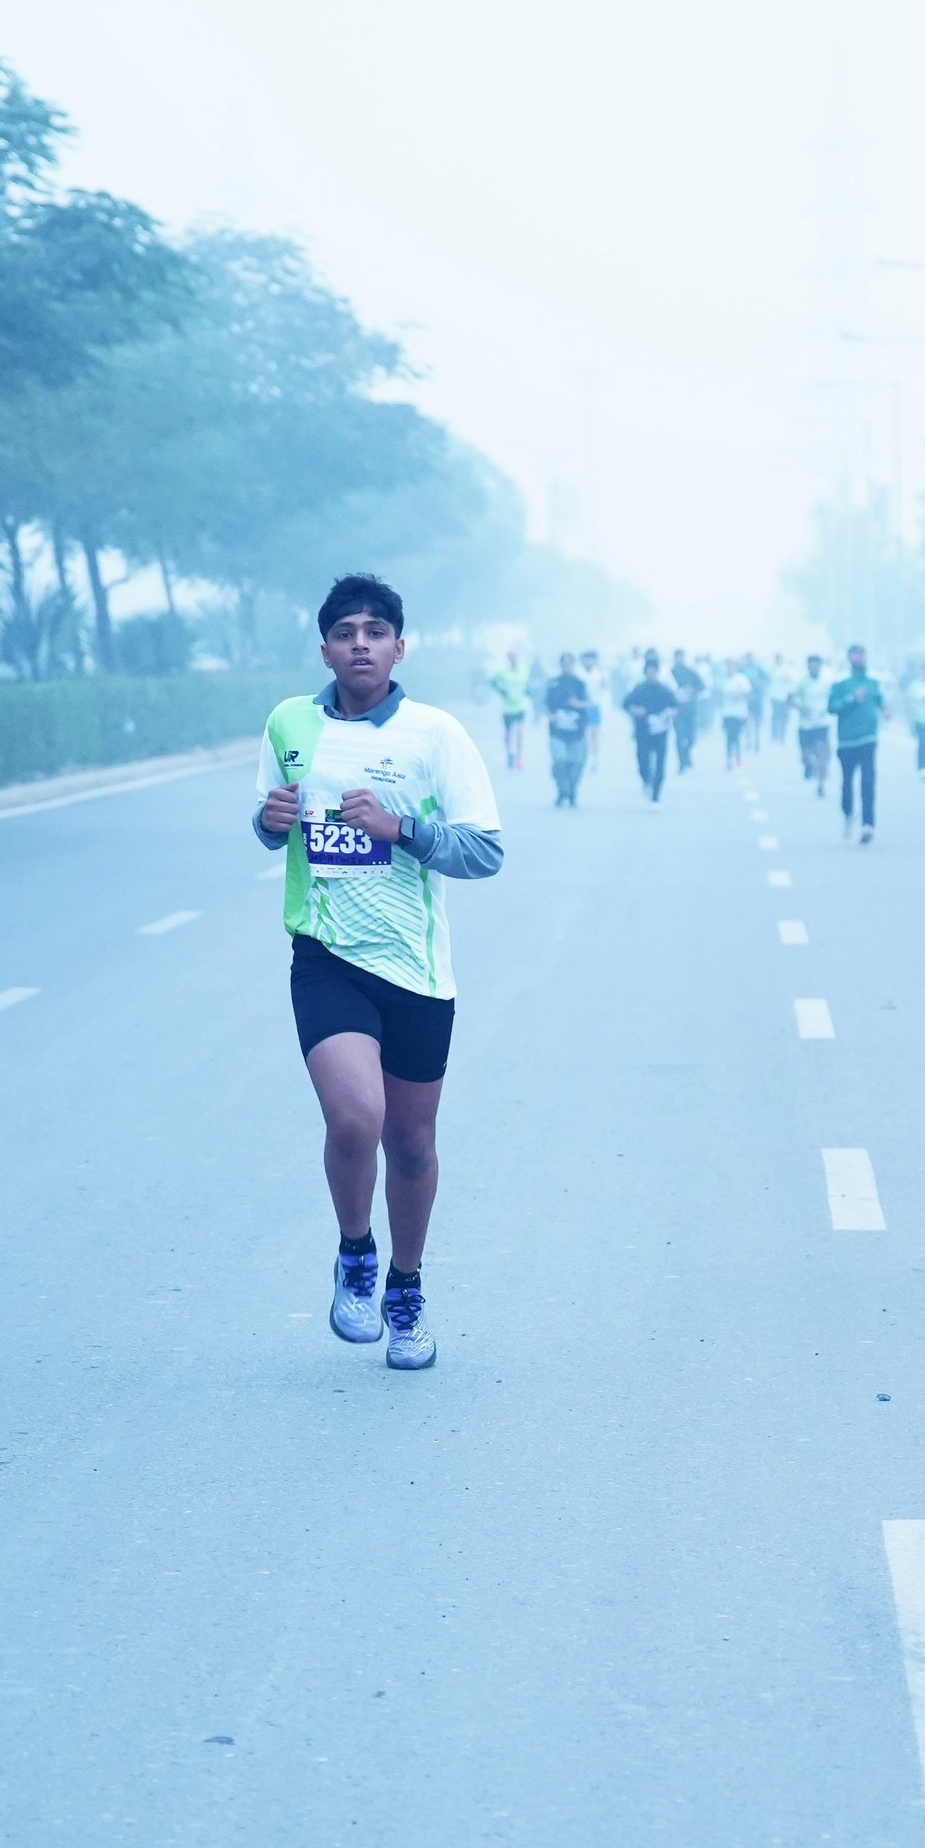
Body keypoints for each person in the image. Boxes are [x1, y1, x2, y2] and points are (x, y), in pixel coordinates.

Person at [253, 574, 505, 1370]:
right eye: (344, 632)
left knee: (412, 1143)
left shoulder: (436, 735)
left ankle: (406, 1288)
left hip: (416, 971)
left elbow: (485, 852)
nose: (359, 644)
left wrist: (401, 829)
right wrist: (269, 821)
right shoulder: (290, 724)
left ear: (400, 647)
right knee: (356, 1117)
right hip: (326, 956)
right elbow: (270, 821)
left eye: (374, 631)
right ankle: (356, 1254)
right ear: (324, 649)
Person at [828, 645, 886, 843]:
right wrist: (851, 699)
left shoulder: (873, 681)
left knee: (868, 782)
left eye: (862, 655)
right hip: (847, 741)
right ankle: (848, 814)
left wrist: (885, 709)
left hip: (868, 738)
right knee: (847, 783)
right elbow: (831, 707)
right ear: (849, 658)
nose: (859, 658)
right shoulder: (840, 682)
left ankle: (868, 824)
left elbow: (879, 700)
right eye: (855, 655)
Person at [541, 651, 596, 808]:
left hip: (576, 732)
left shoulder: (580, 684)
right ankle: (562, 791)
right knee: (560, 761)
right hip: (557, 731)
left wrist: (579, 704)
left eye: (570, 664)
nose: (567, 667)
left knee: (576, 764)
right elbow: (545, 704)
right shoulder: (553, 683)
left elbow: (589, 703)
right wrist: (550, 715)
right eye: (564, 664)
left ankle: (572, 791)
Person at [624, 654, 677, 801]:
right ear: (645, 673)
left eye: (654, 671)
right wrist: (635, 710)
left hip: (661, 732)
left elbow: (675, 706)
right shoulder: (639, 690)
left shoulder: (664, 691)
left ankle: (656, 795)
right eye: (649, 672)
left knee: (660, 764)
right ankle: (646, 781)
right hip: (643, 732)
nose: (651, 674)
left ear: (658, 672)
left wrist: (671, 712)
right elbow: (626, 704)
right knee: (643, 761)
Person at [792, 655, 833, 795]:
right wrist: (800, 707)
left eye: (817, 664)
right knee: (806, 756)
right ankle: (811, 766)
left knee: (822, 754)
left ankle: (821, 784)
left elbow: (834, 698)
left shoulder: (827, 682)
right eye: (812, 664)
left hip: (821, 723)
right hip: (805, 724)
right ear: (808, 666)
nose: (814, 667)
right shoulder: (802, 682)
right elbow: (791, 698)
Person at [487, 650, 531, 772]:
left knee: (520, 732)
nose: (513, 659)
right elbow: (492, 681)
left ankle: (518, 757)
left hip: (521, 705)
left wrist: (527, 690)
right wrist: (501, 690)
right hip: (507, 707)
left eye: (515, 657)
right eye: (511, 657)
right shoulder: (502, 672)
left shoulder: (524, 670)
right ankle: (509, 755)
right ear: (508, 659)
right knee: (508, 734)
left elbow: (527, 683)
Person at [668, 650, 706, 775]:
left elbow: (702, 686)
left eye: (681, 657)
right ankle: (682, 763)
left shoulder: (691, 672)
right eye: (677, 657)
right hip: (676, 710)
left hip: (690, 709)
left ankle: (686, 755)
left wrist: (692, 690)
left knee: (691, 737)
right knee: (679, 736)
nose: (679, 660)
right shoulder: (670, 673)